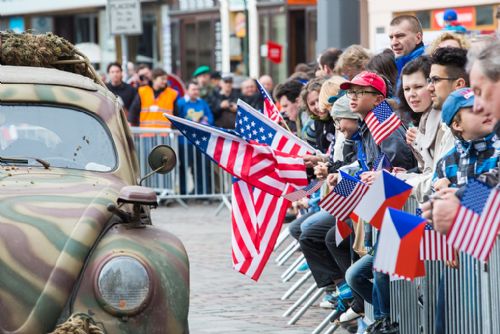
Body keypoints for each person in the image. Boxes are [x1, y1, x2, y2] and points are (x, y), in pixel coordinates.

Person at [338, 71, 417, 331]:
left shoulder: (384, 120)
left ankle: (386, 322)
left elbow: (405, 164)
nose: (353, 97)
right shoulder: (367, 126)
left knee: (380, 272)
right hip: (383, 209)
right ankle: (384, 319)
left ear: (377, 99)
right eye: (351, 92)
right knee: (356, 274)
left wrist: (382, 176)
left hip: (398, 206)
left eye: (359, 92)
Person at [176, 80, 214, 195]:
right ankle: (183, 193)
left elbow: (211, 119)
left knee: (201, 168)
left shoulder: (202, 103)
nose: (196, 92)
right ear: (187, 90)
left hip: (200, 142)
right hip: (185, 141)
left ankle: (202, 192)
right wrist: (192, 122)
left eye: (197, 89)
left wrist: (203, 120)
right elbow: (178, 119)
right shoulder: (181, 103)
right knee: (183, 168)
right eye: (193, 89)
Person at [389, 15, 425, 88]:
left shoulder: (428, 66)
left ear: (418, 38)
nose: (393, 43)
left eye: (400, 36)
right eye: (391, 37)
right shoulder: (396, 64)